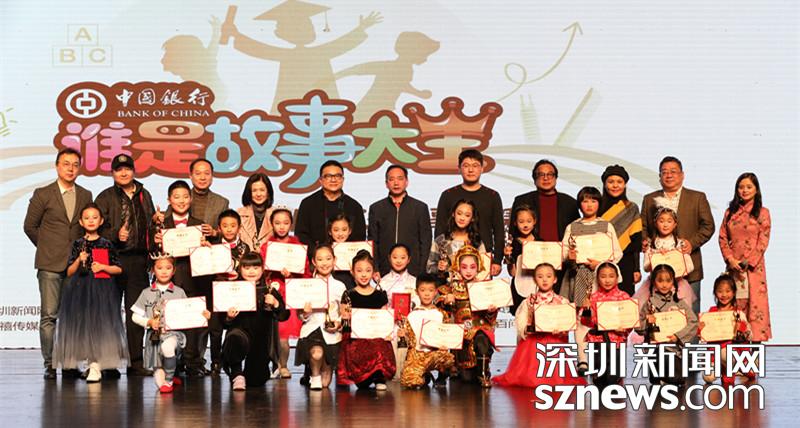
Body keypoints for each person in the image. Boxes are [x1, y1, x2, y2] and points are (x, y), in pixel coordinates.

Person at [23, 148, 93, 379]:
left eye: (75, 164)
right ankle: (50, 364)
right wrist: (47, 248)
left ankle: (71, 363)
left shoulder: (85, 194)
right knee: (49, 316)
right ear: (57, 166)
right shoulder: (43, 193)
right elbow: (30, 226)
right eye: (66, 164)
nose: (70, 168)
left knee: (73, 317)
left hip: (76, 265)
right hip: (49, 264)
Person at [94, 153, 156, 377]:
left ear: (133, 171)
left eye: (127, 169)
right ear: (112, 173)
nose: (123, 173)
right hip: (111, 259)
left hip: (138, 261)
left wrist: (152, 255)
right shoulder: (105, 197)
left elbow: (150, 226)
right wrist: (114, 235)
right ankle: (107, 364)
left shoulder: (144, 194)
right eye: (119, 169)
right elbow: (94, 228)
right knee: (108, 313)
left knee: (136, 314)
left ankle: (135, 363)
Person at [52, 204, 128, 382]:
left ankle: (97, 364)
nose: (91, 221)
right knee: (83, 326)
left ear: (101, 221)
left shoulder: (106, 244)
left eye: (95, 217)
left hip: (102, 289)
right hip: (80, 289)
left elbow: (118, 269)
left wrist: (103, 267)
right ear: (81, 222)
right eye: (87, 218)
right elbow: (69, 272)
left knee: (100, 325)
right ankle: (88, 363)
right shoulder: (77, 244)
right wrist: (79, 260)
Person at [560, 186, 622, 374]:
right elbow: (563, 253)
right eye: (585, 201)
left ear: (599, 204)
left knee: (601, 317)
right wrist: (570, 256)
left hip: (600, 278)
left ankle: (601, 359)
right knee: (581, 318)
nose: (589, 205)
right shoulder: (572, 227)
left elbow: (617, 253)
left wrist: (601, 264)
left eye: (593, 201)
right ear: (580, 204)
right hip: (578, 275)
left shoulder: (606, 226)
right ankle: (582, 359)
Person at [641, 156, 715, 315]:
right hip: (659, 272)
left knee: (690, 315)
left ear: (682, 175)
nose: (669, 175)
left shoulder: (697, 197)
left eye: (673, 171)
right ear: (659, 176)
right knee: (659, 316)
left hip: (689, 268)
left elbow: (708, 226)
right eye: (664, 172)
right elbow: (644, 228)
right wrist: (646, 242)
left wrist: (692, 243)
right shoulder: (649, 199)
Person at [493, 263, 586, 388]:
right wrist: (527, 327)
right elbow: (521, 321)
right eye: (540, 276)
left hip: (554, 339)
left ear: (555, 279)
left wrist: (561, 329)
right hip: (534, 341)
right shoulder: (529, 300)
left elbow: (567, 321)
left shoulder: (562, 301)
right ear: (535, 279)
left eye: (548, 276)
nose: (544, 280)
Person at [131, 253, 211, 394]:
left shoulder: (179, 292)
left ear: (174, 271)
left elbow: (189, 312)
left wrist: (203, 315)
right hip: (154, 337)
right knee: (158, 376)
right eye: (159, 268)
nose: (164, 271)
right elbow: (134, 316)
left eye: (168, 268)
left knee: (168, 348)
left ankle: (169, 380)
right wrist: (148, 321)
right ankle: (170, 376)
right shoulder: (146, 293)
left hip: (173, 334)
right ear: (153, 270)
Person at [152, 180, 209, 377]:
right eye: (176, 197)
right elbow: (152, 256)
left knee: (194, 321)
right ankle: (172, 363)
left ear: (191, 199)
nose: (181, 200)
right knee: (170, 321)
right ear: (169, 200)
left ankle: (192, 362)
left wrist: (204, 246)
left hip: (194, 278)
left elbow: (207, 257)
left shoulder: (199, 225)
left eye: (185, 196)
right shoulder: (161, 226)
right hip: (171, 280)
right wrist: (156, 243)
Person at [222, 252, 289, 390]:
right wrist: (229, 317)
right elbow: (221, 321)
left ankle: (252, 373)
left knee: (256, 380)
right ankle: (237, 374)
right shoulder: (232, 289)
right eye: (246, 268)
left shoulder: (269, 290)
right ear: (240, 269)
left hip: (261, 339)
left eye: (256, 267)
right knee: (234, 339)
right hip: (239, 332)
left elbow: (284, 316)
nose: (251, 271)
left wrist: (275, 303)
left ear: (262, 269)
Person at [511, 159, 580, 292]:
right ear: (534, 179)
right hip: (529, 266)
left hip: (561, 266)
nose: (546, 178)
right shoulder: (522, 200)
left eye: (550, 174)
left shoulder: (570, 203)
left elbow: (576, 235)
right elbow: (513, 233)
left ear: (556, 177)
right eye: (541, 174)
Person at [718, 172, 771, 342]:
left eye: (749, 187)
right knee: (734, 306)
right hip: (734, 267)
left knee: (755, 308)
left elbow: (763, 240)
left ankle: (754, 352)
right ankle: (734, 351)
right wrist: (730, 259)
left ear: (756, 189)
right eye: (741, 187)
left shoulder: (763, 212)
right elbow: (722, 237)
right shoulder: (730, 212)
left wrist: (749, 261)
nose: (745, 190)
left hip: (754, 269)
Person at [433, 149, 504, 277]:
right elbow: (439, 229)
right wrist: (441, 258)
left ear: (482, 168)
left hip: (483, 257)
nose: (470, 170)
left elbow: (499, 231)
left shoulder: (492, 196)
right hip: (452, 259)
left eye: (475, 166)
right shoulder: (448, 195)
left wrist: (497, 260)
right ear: (459, 168)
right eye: (466, 166)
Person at [259, 207, 310, 378]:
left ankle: (284, 365)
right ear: (272, 224)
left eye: (286, 223)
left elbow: (307, 273)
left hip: (292, 294)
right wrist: (269, 271)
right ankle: (273, 365)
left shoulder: (298, 247)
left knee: (285, 334)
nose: (281, 227)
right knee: (273, 333)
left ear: (291, 224)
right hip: (273, 293)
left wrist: (292, 274)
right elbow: (259, 272)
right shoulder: (266, 247)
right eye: (277, 223)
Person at [437, 245, 498, 388]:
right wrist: (446, 301)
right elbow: (439, 307)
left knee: (482, 338)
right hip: (460, 333)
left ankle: (484, 373)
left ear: (478, 268)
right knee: (467, 379)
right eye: (464, 267)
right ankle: (449, 372)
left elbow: (490, 318)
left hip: (479, 328)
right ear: (458, 267)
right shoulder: (451, 287)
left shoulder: (483, 287)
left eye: (472, 267)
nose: (468, 271)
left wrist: (491, 310)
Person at [337, 251, 396, 390]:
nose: (364, 275)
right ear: (352, 272)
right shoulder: (348, 294)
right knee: (362, 382)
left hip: (376, 336)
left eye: (368, 270)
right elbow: (344, 322)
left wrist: (388, 332)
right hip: (357, 337)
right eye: (359, 271)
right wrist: (346, 318)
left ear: (373, 272)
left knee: (380, 344)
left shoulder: (380, 295)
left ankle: (379, 377)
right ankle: (361, 375)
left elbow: (385, 320)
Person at [636, 264, 698, 386]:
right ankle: (658, 374)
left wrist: (678, 336)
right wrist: (647, 322)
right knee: (658, 373)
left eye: (668, 281)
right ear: (654, 282)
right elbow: (638, 327)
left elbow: (693, 321)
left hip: (674, 348)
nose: (664, 285)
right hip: (656, 349)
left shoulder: (679, 302)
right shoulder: (649, 304)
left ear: (673, 282)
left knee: (677, 379)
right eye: (660, 281)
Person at [295, 244, 347, 390]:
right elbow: (300, 314)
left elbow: (344, 313)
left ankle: (318, 369)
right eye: (320, 259)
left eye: (328, 259)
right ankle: (314, 374)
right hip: (312, 328)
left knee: (325, 384)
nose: (324, 263)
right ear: (313, 262)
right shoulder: (306, 285)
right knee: (316, 354)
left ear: (334, 260)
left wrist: (338, 323)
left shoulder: (340, 286)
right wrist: (305, 313)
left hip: (332, 333)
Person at [368, 164, 432, 277]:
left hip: (413, 270)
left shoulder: (420, 207)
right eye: (391, 179)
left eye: (400, 178)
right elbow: (373, 241)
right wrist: (375, 267)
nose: (396, 183)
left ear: (407, 182)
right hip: (385, 270)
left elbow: (425, 241)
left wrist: (422, 270)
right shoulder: (377, 208)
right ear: (386, 183)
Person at [398, 273, 456, 389]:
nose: (427, 294)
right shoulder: (411, 315)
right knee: (409, 381)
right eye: (423, 290)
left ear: (435, 292)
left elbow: (447, 333)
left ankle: (442, 376)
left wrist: (445, 345)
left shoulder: (440, 314)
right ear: (417, 292)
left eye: (430, 290)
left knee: (446, 358)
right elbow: (410, 341)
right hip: (417, 354)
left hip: (436, 353)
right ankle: (424, 375)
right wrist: (403, 335)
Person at [295, 160, 366, 254]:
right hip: (315, 259)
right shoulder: (308, 204)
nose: (333, 180)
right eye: (328, 176)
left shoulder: (354, 206)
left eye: (337, 176)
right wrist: (318, 254)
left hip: (346, 259)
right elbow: (301, 235)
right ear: (320, 180)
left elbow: (359, 238)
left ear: (342, 179)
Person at [580, 262, 632, 390]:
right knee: (599, 377)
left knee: (613, 376)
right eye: (603, 276)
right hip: (598, 340)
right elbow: (586, 322)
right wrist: (586, 310)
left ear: (617, 277)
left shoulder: (624, 297)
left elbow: (630, 320)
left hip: (617, 339)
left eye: (611, 276)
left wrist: (623, 329)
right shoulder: (593, 297)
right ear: (597, 279)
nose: (607, 280)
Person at [698, 274, 754, 386]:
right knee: (708, 377)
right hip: (715, 353)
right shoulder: (710, 313)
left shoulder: (738, 313)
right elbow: (704, 337)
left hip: (733, 352)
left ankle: (740, 366)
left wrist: (741, 328)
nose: (724, 295)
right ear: (715, 293)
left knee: (726, 355)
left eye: (728, 291)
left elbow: (750, 335)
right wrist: (700, 331)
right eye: (720, 291)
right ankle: (731, 367)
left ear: (734, 293)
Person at [599, 165, 642, 296]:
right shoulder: (597, 207)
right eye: (611, 182)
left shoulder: (632, 208)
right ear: (605, 184)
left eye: (619, 182)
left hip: (626, 262)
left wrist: (636, 269)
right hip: (601, 261)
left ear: (625, 184)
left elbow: (636, 241)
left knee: (625, 301)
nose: (615, 185)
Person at [426, 199, 488, 283]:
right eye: (459, 213)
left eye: (467, 215)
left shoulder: (476, 242)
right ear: (453, 214)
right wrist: (439, 268)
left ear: (472, 218)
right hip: (446, 288)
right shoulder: (441, 240)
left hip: (471, 288)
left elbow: (484, 269)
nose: (462, 218)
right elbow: (429, 268)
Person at [504, 204, 538, 313]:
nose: (525, 225)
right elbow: (512, 273)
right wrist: (508, 257)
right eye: (521, 222)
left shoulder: (541, 243)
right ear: (515, 223)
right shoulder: (512, 244)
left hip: (538, 288)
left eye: (529, 221)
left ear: (534, 221)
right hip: (519, 288)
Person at [237, 173, 275, 252]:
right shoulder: (239, 214)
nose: (258, 194)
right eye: (254, 190)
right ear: (249, 193)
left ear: (268, 193)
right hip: (245, 259)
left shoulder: (276, 215)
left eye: (262, 190)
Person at [326, 213, 357, 290]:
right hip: (331, 287)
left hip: (351, 285)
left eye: (344, 230)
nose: (340, 234)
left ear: (349, 231)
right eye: (336, 230)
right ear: (330, 231)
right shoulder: (325, 250)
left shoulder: (357, 249)